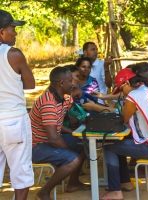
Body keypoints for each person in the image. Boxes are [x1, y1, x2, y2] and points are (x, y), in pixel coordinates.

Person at [100, 68, 148, 200]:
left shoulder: (134, 96)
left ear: (127, 84)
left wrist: (103, 109)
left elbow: (123, 119)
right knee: (118, 144)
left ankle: (116, 191)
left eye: (121, 90)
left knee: (108, 145)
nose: (122, 94)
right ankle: (125, 183)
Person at [30, 67, 90, 200]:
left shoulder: (64, 98)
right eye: (70, 80)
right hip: (36, 146)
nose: (73, 83)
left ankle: (73, 183)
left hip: (49, 141)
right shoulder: (48, 103)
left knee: (86, 141)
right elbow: (53, 139)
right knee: (74, 160)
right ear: (61, 83)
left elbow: (59, 124)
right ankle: (43, 193)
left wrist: (78, 128)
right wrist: (71, 151)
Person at [0, 10, 35, 200]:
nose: (15, 33)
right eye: (12, 29)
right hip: (13, 120)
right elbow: (30, 84)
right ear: (1, 32)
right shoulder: (13, 54)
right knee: (21, 172)